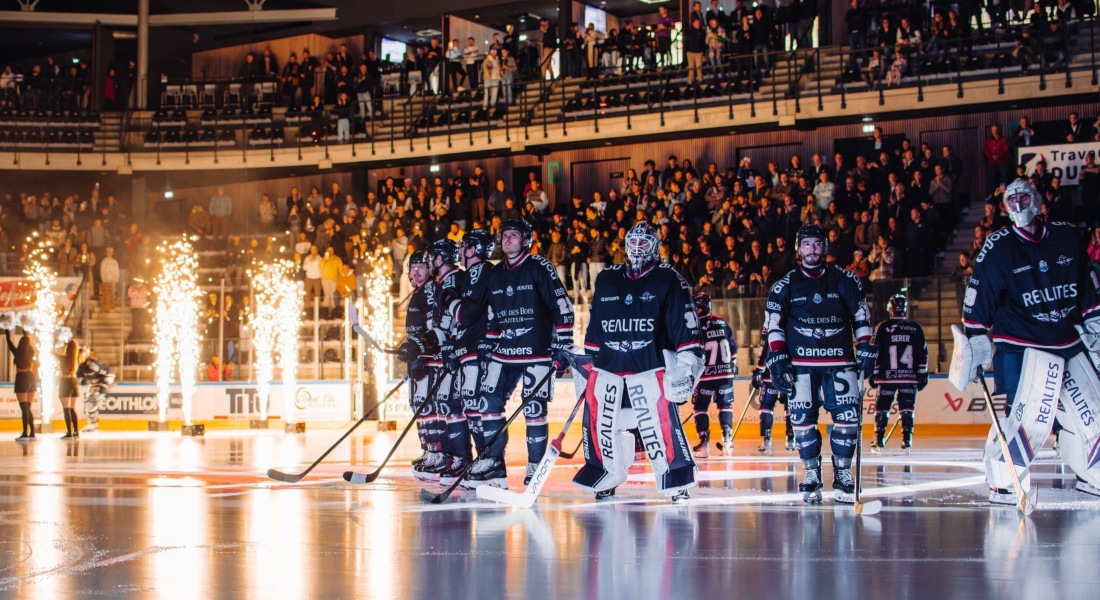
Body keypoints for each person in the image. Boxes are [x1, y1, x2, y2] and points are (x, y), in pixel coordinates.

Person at [951, 178, 1100, 505]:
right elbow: (978, 297)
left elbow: (1087, 286)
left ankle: (1094, 474)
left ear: (1038, 200)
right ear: (1005, 207)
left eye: (1024, 198)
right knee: (1025, 418)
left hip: (1065, 338)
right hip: (1020, 344)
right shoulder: (999, 245)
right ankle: (1004, 477)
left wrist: (1095, 325)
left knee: (1094, 412)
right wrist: (975, 339)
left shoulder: (1066, 235)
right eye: (1012, 200)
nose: (1019, 206)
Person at [573, 221, 702, 501]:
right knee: (605, 425)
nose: (638, 248)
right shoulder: (607, 278)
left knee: (658, 427)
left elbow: (686, 327)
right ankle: (607, 475)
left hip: (650, 367)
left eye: (645, 243)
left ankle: (675, 478)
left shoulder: (669, 278)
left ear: (655, 246)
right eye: (634, 242)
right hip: (610, 368)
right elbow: (596, 328)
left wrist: (688, 364)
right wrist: (587, 366)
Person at [764, 224, 876, 504]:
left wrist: (864, 346)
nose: (812, 249)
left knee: (848, 419)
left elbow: (861, 316)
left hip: (841, 361)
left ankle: (843, 474)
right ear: (798, 249)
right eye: (807, 245)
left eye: (817, 244)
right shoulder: (784, 285)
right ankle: (812, 473)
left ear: (825, 247)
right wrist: (776, 356)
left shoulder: (846, 279)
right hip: (800, 364)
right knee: (802, 421)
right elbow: (773, 324)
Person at [468, 219, 574, 489]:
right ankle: (494, 464)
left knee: (534, 409)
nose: (507, 240)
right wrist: (487, 343)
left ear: (526, 240)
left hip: (536, 351)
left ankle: (535, 468)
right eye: (504, 235)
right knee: (487, 404)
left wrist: (564, 344)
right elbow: (492, 314)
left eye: (514, 236)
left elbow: (561, 304)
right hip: (504, 353)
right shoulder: (494, 273)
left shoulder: (540, 266)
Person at [444, 230, 496, 488]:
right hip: (468, 347)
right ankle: (481, 460)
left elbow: (467, 314)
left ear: (474, 249)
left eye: (464, 246)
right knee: (471, 407)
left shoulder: (481, 271)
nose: (461, 251)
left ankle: (487, 462)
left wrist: (452, 301)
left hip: (478, 347)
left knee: (477, 407)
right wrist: (453, 347)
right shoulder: (468, 275)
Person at [417, 239, 465, 483]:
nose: (428, 262)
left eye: (432, 256)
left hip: (457, 354)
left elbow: (461, 318)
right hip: (446, 352)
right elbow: (439, 324)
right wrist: (421, 345)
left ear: (439, 258)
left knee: (453, 405)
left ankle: (461, 459)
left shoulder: (457, 279)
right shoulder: (442, 283)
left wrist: (451, 346)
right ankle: (450, 457)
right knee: (445, 404)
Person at [395, 250, 442, 478]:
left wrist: (421, 349)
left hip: (429, 359)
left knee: (427, 405)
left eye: (421, 266)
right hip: (418, 356)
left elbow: (434, 328)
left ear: (430, 269)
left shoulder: (430, 291)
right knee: (418, 404)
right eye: (413, 267)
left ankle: (436, 452)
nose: (416, 271)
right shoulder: (418, 292)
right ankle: (427, 450)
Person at [869, 294, 928, 454]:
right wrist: (923, 375)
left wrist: (873, 373)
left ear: (890, 308)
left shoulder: (883, 327)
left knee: (882, 408)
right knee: (907, 408)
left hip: (887, 377)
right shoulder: (915, 327)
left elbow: (876, 353)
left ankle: (879, 439)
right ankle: (906, 440)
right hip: (909, 377)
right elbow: (923, 354)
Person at [689, 291, 738, 458]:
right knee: (725, 405)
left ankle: (704, 444)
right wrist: (732, 366)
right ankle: (727, 441)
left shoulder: (694, 327)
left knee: (700, 408)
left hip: (705, 376)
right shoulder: (721, 322)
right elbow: (733, 348)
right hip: (726, 374)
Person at [752, 323, 793, 454]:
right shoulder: (794, 318)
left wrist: (759, 370)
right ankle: (791, 439)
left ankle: (767, 440)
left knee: (766, 406)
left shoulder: (771, 322)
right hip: (790, 372)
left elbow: (765, 348)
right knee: (790, 405)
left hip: (772, 371)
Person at [7, 329, 37, 441]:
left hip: (21, 378)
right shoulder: (31, 352)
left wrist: (7, 330)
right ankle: (32, 433)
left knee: (24, 408)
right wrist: (26, 334)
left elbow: (9, 343)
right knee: (28, 407)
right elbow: (30, 344)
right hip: (30, 378)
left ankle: (25, 433)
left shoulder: (18, 353)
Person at [77, 348, 114, 433]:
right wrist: (86, 382)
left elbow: (109, 372)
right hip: (93, 387)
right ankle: (92, 423)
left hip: (101, 386)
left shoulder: (93, 365)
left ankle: (93, 424)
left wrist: (106, 384)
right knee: (89, 404)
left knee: (91, 403)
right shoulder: (80, 367)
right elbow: (80, 381)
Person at [57, 339, 81, 439]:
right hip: (74, 382)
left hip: (65, 382)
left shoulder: (63, 358)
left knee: (66, 409)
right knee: (72, 409)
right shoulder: (76, 359)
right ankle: (76, 431)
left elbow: (53, 353)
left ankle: (69, 432)